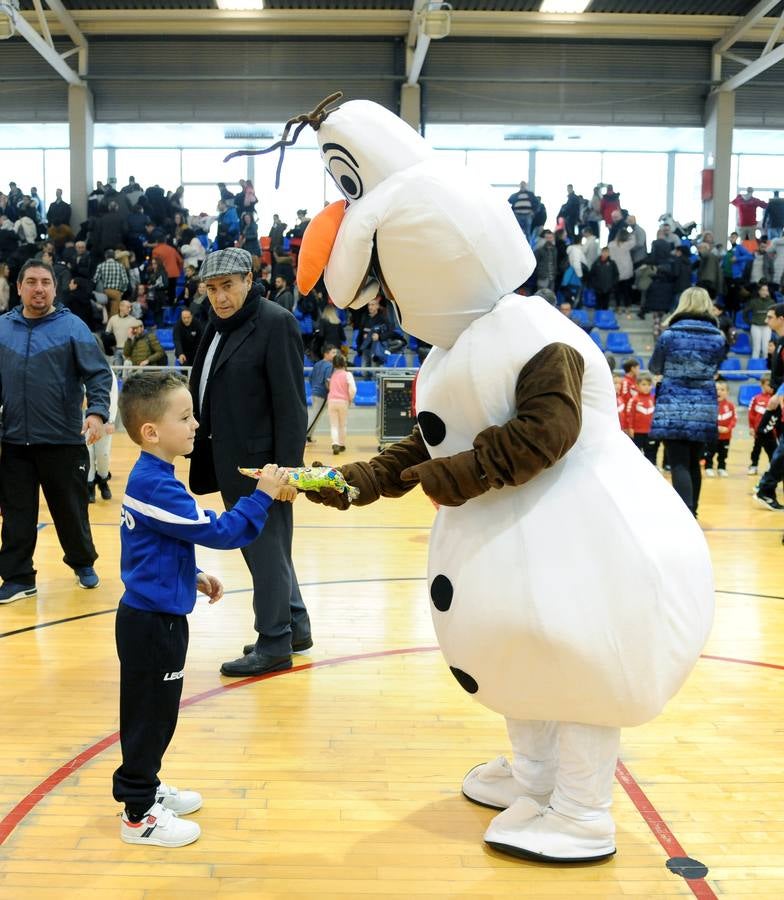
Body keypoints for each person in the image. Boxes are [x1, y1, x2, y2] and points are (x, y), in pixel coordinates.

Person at [113, 370, 291, 847]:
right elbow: (223, 532)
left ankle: (145, 787)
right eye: (186, 417)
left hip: (154, 616)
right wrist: (263, 496)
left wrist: (189, 576)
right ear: (151, 431)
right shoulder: (156, 485)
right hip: (152, 625)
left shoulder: (154, 478)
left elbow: (148, 546)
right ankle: (138, 814)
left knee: (155, 713)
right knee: (150, 717)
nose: (196, 425)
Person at [188, 248, 311, 676]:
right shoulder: (218, 325)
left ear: (248, 280)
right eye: (212, 289)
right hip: (230, 460)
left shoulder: (275, 322)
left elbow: (292, 406)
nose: (219, 297)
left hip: (263, 469)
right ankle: (295, 627)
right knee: (272, 551)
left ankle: (274, 644)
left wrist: (288, 473)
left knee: (264, 554)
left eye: (227, 286)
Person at [0, 259, 111, 604]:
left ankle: (82, 564)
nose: (38, 288)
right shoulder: (2, 328)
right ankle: (18, 577)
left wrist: (96, 413)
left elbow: (98, 375)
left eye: (45, 282)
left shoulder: (73, 328)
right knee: (16, 514)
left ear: (54, 288)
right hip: (15, 440)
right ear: (19, 288)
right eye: (31, 281)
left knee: (70, 510)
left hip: (62, 439)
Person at [649, 287, 727, 516]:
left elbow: (655, 366)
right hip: (704, 403)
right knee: (695, 462)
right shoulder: (717, 337)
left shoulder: (669, 335)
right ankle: (694, 512)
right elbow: (717, 366)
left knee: (679, 462)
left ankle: (685, 515)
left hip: (674, 402)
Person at [88, 367, 118, 503]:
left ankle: (103, 480)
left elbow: (113, 395)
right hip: (82, 419)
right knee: (87, 454)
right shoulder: (74, 365)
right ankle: (89, 485)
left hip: (103, 417)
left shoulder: (106, 370)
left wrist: (111, 420)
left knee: (103, 453)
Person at [703, 379, 736, 477]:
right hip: (712, 436)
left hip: (726, 437)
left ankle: (721, 468)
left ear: (727, 392)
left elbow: (734, 419)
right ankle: (708, 467)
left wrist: (728, 429)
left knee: (723, 454)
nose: (719, 392)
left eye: (722, 390)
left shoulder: (730, 406)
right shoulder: (709, 405)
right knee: (709, 453)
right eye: (717, 389)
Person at [326, 351, 356, 454]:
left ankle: (335, 443)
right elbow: (353, 389)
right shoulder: (347, 374)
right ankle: (342, 444)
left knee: (333, 425)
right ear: (344, 363)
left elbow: (329, 388)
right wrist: (350, 398)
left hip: (331, 401)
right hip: (343, 401)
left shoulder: (332, 375)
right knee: (342, 425)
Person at [625, 374, 658, 466]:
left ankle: (652, 469)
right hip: (637, 432)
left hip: (650, 432)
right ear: (637, 386)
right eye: (643, 384)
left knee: (651, 453)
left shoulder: (653, 399)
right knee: (636, 453)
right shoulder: (634, 400)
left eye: (649, 384)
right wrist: (630, 428)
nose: (647, 387)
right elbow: (629, 415)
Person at [747, 375, 776, 476]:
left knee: (772, 450)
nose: (771, 387)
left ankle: (772, 466)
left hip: (771, 432)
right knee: (756, 448)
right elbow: (751, 414)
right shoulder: (756, 398)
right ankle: (753, 465)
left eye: (772, 385)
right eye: (768, 385)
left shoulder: (775, 399)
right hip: (758, 431)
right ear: (762, 385)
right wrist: (751, 427)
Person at [307, 344, 336, 441]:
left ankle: (309, 436)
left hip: (314, 392)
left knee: (315, 416)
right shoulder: (330, 366)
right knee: (315, 416)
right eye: (333, 353)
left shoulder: (317, 364)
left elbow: (310, 378)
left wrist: (314, 388)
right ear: (326, 354)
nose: (335, 355)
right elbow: (327, 381)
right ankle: (304, 437)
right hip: (322, 394)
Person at [105, 299, 142, 366]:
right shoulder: (113, 319)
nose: (130, 309)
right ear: (121, 307)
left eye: (130, 307)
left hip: (128, 350)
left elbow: (139, 334)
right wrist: (112, 347)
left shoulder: (133, 320)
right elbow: (107, 334)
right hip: (116, 350)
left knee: (127, 372)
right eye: (128, 307)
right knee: (117, 371)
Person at [95, 248, 130, 317]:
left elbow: (95, 280)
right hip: (116, 292)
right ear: (114, 256)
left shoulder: (100, 266)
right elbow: (125, 281)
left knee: (105, 312)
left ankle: (105, 327)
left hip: (104, 292)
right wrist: (122, 291)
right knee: (114, 315)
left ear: (105, 256)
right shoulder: (120, 266)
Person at [743, 282, 773, 358]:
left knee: (766, 349)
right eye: (762, 290)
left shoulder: (771, 302)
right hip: (755, 327)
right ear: (759, 291)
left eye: (766, 290)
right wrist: (749, 322)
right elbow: (745, 312)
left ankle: (766, 367)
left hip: (767, 327)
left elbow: (774, 314)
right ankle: (754, 368)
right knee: (756, 348)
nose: (764, 292)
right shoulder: (753, 302)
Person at [588, 246, 619, 311]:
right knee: (598, 305)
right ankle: (598, 319)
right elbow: (591, 275)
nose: (605, 254)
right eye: (603, 252)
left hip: (608, 289)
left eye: (606, 252)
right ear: (601, 253)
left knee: (605, 306)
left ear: (609, 253)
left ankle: (604, 319)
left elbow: (616, 275)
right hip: (598, 288)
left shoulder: (612, 263)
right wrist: (595, 285)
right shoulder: (596, 263)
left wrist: (612, 285)